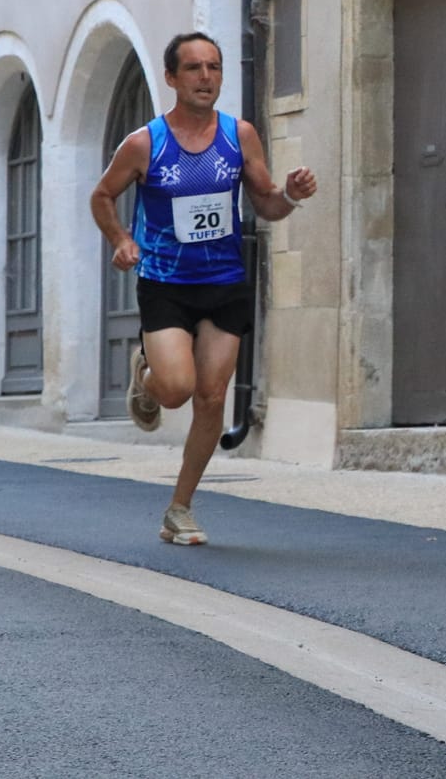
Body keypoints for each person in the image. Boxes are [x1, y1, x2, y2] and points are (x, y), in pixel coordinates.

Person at [90, 32, 316, 545]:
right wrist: (122, 238)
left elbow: (267, 204)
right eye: (193, 68)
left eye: (213, 67)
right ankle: (145, 377)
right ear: (171, 78)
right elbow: (102, 195)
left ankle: (180, 508)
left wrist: (292, 197)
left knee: (212, 398)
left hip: (224, 282)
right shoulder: (145, 142)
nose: (206, 77)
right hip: (166, 283)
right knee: (176, 390)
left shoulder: (240, 135)